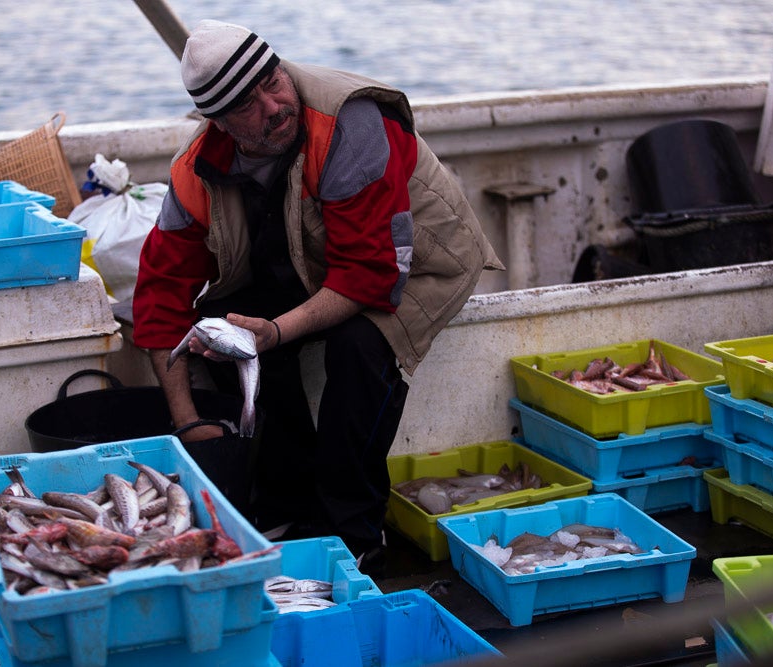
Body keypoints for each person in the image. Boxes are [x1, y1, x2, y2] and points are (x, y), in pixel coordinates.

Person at [132, 19, 503, 566]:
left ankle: (354, 533)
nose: (274, 106)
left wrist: (276, 332)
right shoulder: (195, 172)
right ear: (218, 123)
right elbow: (159, 296)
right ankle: (285, 501)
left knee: (359, 345)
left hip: (420, 263)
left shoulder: (349, 124)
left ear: (282, 67)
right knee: (218, 322)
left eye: (273, 82)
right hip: (320, 260)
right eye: (247, 106)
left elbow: (371, 276)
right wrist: (188, 420)